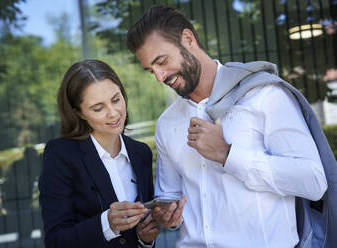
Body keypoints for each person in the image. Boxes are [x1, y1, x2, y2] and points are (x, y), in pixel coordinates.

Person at [126, 5, 336, 248]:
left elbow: (314, 181)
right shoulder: (167, 123)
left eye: (162, 61)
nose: (160, 77)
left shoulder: (264, 96)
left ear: (188, 39)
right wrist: (167, 217)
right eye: (151, 70)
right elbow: (170, 198)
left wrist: (228, 154)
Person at [38, 59, 159, 248]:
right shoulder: (61, 155)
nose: (113, 113)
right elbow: (55, 241)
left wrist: (146, 240)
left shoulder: (141, 153)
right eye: (98, 108)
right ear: (78, 112)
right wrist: (107, 224)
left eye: (116, 99)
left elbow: (139, 236)